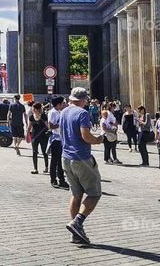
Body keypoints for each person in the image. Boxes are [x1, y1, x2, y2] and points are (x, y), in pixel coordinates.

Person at [58, 87, 104, 246]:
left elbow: (61, 132)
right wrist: (98, 140)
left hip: (66, 158)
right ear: (84, 100)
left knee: (76, 194)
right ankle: (77, 223)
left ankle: (75, 233)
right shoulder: (83, 113)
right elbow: (86, 136)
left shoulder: (63, 111)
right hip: (82, 158)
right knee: (94, 193)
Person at [47, 96, 69, 189]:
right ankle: (53, 179)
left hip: (61, 139)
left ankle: (62, 179)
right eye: (62, 103)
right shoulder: (52, 112)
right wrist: (60, 124)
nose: (63, 105)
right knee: (54, 160)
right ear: (58, 104)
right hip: (55, 139)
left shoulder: (60, 112)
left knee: (61, 161)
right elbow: (50, 125)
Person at [28, 102, 49, 175]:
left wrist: (49, 131)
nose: (32, 109)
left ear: (37, 109)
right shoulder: (31, 116)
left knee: (44, 152)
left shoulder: (44, 116)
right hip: (34, 136)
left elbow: (47, 126)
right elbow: (29, 126)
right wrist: (27, 134)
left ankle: (46, 167)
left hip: (43, 137)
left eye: (33, 108)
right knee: (34, 152)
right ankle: (35, 169)